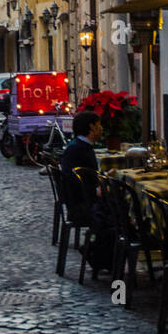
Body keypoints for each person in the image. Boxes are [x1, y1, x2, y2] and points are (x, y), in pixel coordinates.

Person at [60, 111, 113, 273]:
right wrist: (95, 190)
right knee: (116, 214)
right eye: (99, 125)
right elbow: (72, 180)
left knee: (117, 210)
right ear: (92, 127)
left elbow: (87, 176)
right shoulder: (76, 149)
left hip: (85, 201)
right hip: (81, 206)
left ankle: (102, 254)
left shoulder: (81, 147)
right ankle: (98, 254)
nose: (102, 129)